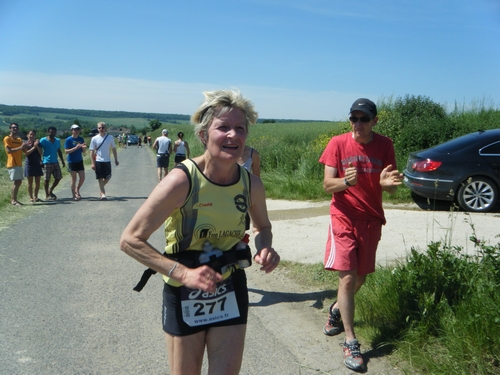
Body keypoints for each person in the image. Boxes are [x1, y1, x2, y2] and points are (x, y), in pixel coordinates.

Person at [120, 89, 280, 375]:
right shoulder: (182, 180)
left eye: (240, 128)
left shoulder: (251, 184)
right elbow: (131, 240)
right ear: (204, 135)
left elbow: (263, 227)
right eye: (223, 127)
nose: (233, 135)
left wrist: (265, 247)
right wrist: (183, 274)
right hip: (184, 292)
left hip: (230, 287)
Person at [319, 98, 403, 372]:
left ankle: (335, 311)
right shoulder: (337, 143)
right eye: (353, 118)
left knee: (360, 278)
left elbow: (390, 186)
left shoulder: (385, 145)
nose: (358, 124)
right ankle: (350, 341)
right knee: (347, 277)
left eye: (364, 119)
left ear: (374, 121)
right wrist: (346, 181)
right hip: (342, 216)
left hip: (371, 219)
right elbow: (327, 184)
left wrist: (387, 185)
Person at [89, 122, 119, 200]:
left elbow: (114, 149)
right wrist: (92, 162)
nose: (101, 129)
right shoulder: (94, 138)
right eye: (99, 128)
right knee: (100, 177)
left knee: (108, 177)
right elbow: (91, 151)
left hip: (107, 160)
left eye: (102, 127)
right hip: (98, 160)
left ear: (105, 128)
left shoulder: (110, 138)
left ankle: (101, 188)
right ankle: (102, 193)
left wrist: (116, 159)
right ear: (97, 129)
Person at [3, 123, 27, 205]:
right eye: (13, 127)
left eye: (16, 127)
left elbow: (25, 150)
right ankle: (13, 200)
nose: (15, 129)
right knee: (16, 182)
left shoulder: (19, 140)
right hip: (12, 163)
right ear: (10, 129)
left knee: (18, 182)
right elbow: (9, 151)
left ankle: (14, 199)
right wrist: (21, 147)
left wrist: (32, 145)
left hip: (19, 163)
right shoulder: (7, 138)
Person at [39, 126, 66, 201]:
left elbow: (59, 151)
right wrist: (40, 160)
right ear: (48, 132)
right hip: (47, 161)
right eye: (51, 132)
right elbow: (39, 150)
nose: (52, 133)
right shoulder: (43, 140)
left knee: (58, 177)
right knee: (47, 179)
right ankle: (47, 195)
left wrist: (62, 161)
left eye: (54, 132)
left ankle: (50, 190)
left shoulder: (57, 140)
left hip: (55, 161)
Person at [64, 124, 87, 201]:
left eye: (77, 129)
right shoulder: (68, 139)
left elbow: (84, 152)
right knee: (74, 178)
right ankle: (73, 195)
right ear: (72, 130)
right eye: (74, 129)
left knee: (82, 178)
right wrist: (75, 147)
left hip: (79, 160)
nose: (76, 131)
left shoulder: (81, 139)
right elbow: (66, 151)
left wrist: (84, 148)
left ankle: (77, 189)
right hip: (72, 161)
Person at [24, 129, 43, 203]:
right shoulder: (25, 144)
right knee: (30, 182)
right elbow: (26, 153)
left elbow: (40, 153)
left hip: (37, 164)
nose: (31, 136)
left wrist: (37, 146)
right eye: (30, 134)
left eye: (33, 135)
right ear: (27, 135)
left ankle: (36, 196)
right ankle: (31, 197)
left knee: (37, 181)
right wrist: (34, 147)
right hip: (29, 164)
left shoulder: (38, 143)